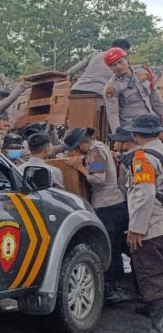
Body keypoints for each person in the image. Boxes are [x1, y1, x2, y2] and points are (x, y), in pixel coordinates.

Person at [64, 127, 129, 302]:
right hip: (115, 204)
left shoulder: (94, 152)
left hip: (106, 205)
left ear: (82, 144)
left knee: (110, 248)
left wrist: (80, 167)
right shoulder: (101, 147)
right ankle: (116, 287)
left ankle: (111, 290)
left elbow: (98, 180)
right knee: (115, 248)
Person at [120, 115, 163, 333]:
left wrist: (136, 229)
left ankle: (159, 330)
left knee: (151, 276)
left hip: (152, 227)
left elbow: (144, 194)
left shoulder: (143, 158)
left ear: (135, 134)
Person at [103, 44, 163, 132]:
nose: (118, 66)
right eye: (113, 65)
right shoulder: (111, 87)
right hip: (132, 126)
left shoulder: (143, 71)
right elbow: (113, 113)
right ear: (110, 68)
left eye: (120, 62)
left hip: (151, 121)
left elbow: (154, 97)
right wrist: (118, 134)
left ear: (127, 59)